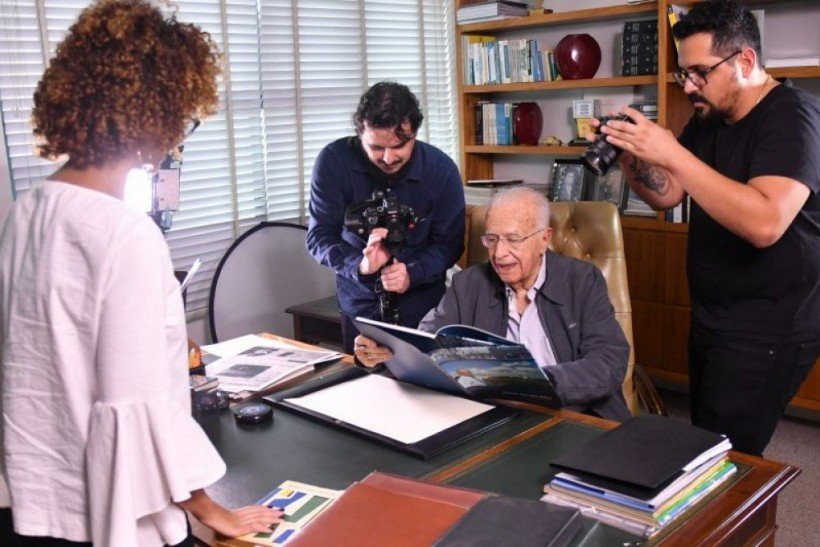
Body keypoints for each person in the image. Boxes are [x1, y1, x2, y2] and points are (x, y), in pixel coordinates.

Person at [0, 1, 282, 545]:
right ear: (156, 111)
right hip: (112, 519)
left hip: (33, 502)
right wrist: (209, 511)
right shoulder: (125, 233)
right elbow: (138, 411)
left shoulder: (29, 210)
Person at [594, 0, 819, 454]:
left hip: (769, 325)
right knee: (709, 443)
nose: (689, 86)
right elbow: (669, 193)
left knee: (725, 460)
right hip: (716, 315)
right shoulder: (711, 117)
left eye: (700, 72)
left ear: (746, 61)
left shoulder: (793, 118)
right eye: (683, 74)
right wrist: (633, 157)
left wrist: (670, 150)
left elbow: (765, 223)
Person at [355, 187, 631, 422]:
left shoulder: (581, 280)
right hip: (495, 418)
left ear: (544, 239)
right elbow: (427, 342)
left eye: (513, 239)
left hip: (572, 417)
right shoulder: (468, 284)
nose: (499, 253)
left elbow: (608, 362)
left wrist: (534, 381)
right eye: (491, 239)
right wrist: (384, 352)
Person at [306, 81, 465, 353]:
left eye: (399, 146)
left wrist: (411, 273)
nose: (388, 158)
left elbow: (449, 245)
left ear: (414, 133)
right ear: (360, 134)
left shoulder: (441, 171)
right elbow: (318, 237)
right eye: (377, 147)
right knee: (361, 389)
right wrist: (360, 265)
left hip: (423, 310)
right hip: (359, 307)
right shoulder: (334, 162)